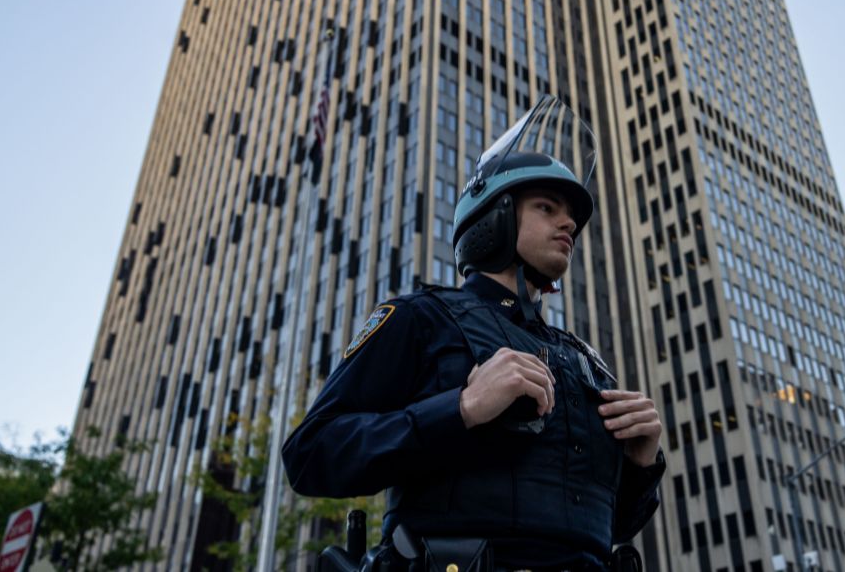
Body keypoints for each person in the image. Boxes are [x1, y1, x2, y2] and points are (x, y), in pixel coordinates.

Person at [282, 96, 665, 570]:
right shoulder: (421, 318)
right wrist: (459, 410)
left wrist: (642, 465)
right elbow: (310, 455)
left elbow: (607, 526)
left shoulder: (586, 361)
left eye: (571, 216)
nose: (569, 223)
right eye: (547, 207)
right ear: (493, 215)